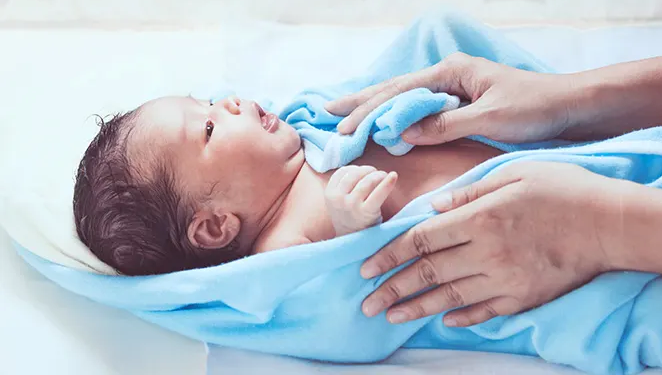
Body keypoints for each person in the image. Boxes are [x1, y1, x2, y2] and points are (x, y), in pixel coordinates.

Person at [324, 43, 662, 328]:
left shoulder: (311, 128)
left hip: (576, 195)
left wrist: (603, 227)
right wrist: (567, 102)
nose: (261, 105)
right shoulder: (282, 244)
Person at [73, 94, 508, 275]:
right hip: (508, 197)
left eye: (207, 99)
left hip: (502, 133)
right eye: (208, 127)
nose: (230, 103)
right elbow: (343, 290)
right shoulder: (281, 245)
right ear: (214, 226)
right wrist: (352, 229)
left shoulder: (302, 132)